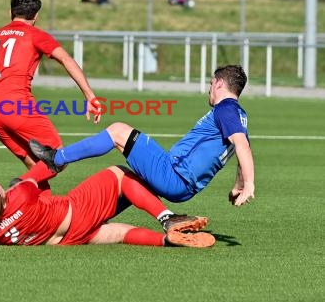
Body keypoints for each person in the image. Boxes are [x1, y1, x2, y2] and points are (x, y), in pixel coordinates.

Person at [31, 65, 255, 207]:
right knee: (127, 179)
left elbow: (242, 146)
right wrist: (239, 185)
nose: (209, 89)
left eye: (210, 84)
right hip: (182, 184)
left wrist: (250, 185)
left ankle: (56, 160)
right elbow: (242, 151)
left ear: (219, 84)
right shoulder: (239, 116)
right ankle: (93, 222)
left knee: (118, 130)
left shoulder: (225, 109)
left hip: (175, 175)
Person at [0, 0, 101, 184]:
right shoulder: (35, 34)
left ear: (10, 13)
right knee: (58, 159)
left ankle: (39, 210)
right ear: (36, 16)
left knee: (36, 167)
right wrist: (89, 96)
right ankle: (11, 194)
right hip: (17, 108)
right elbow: (67, 60)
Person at [0, 165, 214, 248]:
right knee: (119, 174)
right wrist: (55, 157)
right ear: (3, 200)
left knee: (120, 233)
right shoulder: (20, 194)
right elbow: (45, 171)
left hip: (66, 239)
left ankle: (166, 240)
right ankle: (166, 217)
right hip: (75, 210)